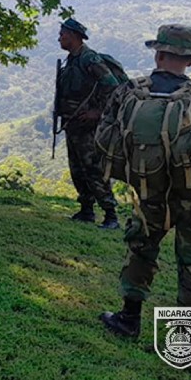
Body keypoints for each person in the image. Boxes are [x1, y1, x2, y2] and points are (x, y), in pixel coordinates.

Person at [99, 24, 191, 338]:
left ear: (157, 54)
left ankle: (128, 320)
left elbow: (105, 136)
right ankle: (187, 341)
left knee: (141, 249)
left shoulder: (130, 91)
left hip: (148, 191)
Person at [56, 18, 120, 229]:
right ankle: (86, 210)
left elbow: (112, 87)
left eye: (62, 34)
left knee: (93, 169)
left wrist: (97, 112)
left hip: (88, 127)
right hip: (73, 124)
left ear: (73, 36)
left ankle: (111, 215)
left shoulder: (89, 59)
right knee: (77, 168)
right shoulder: (72, 60)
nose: (60, 38)